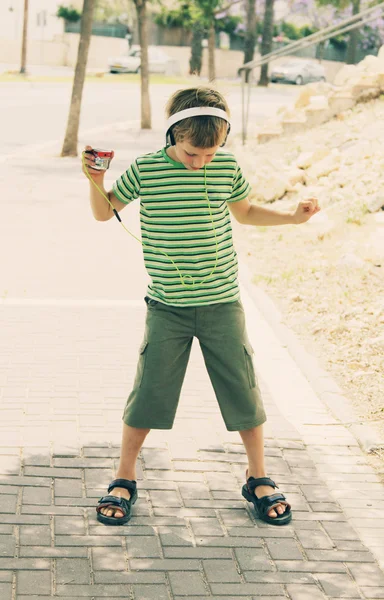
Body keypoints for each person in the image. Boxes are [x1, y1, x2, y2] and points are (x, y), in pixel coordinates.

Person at [82, 87, 320, 528]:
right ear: (174, 134)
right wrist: (96, 181)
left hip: (223, 302)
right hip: (167, 306)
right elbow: (104, 212)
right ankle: (123, 476)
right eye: (193, 153)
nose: (200, 162)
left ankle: (258, 476)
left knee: (242, 390)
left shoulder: (225, 166)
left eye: (210, 153)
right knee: (149, 391)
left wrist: (291, 217)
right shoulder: (147, 170)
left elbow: (245, 212)